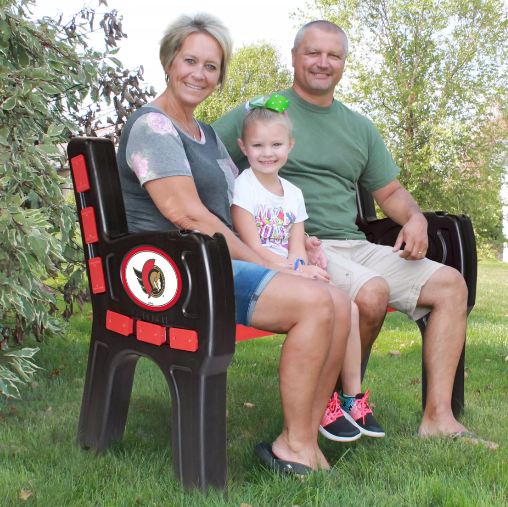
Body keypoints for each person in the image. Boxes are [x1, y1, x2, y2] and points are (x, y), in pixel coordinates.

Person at [213, 20, 498, 448]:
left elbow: (391, 191)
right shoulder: (263, 113)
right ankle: (338, 400)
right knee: (370, 293)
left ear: (344, 64)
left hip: (355, 243)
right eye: (312, 53)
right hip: (301, 247)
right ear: (294, 57)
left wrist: (415, 219)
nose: (322, 63)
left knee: (450, 286)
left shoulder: (358, 126)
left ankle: (438, 418)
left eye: (334, 55)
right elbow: (203, 153)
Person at [117, 13, 357, 474]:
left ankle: (301, 438)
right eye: (190, 60)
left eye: (211, 66)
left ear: (220, 76)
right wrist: (275, 266)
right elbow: (187, 214)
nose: (199, 74)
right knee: (314, 303)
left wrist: (296, 246)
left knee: (339, 300)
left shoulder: (205, 134)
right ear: (169, 61)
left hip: (215, 261)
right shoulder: (153, 127)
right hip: (176, 272)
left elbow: (239, 209)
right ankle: (298, 443)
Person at [231, 99, 385, 441]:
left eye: (276, 144)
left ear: (290, 146)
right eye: (257, 145)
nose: (267, 153)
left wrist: (303, 266)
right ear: (243, 147)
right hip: (260, 270)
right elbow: (252, 245)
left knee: (349, 306)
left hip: (289, 270)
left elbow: (296, 245)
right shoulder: (244, 185)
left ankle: (351, 398)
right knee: (327, 303)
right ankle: (323, 403)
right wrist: (296, 272)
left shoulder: (294, 194)